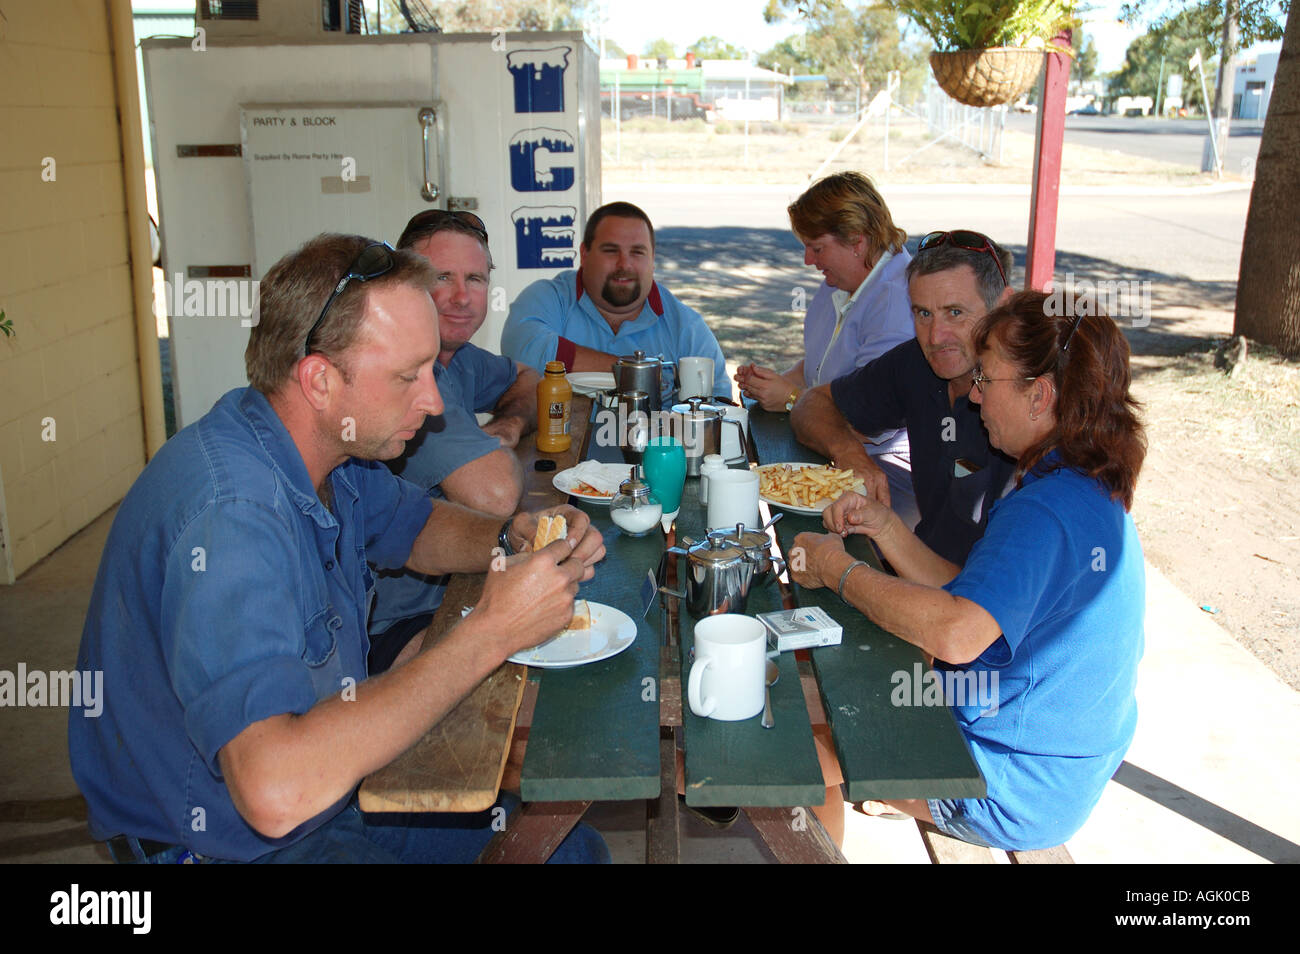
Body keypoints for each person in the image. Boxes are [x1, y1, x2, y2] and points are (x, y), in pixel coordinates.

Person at [69, 233, 610, 864]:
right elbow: (274, 791)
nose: (434, 403)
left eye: (431, 372)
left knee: (569, 851)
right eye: (408, 377)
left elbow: (416, 527)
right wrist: (490, 631)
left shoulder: (323, 448)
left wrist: (507, 535)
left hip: (327, 795)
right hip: (228, 842)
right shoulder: (232, 520)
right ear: (320, 380)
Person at [790, 290, 1146, 850]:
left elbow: (956, 633)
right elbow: (969, 596)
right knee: (812, 689)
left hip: (1007, 784)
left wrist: (840, 572)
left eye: (987, 379)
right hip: (1051, 769)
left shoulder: (1047, 510)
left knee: (790, 751)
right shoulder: (1077, 485)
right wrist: (886, 529)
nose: (974, 396)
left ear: (1041, 397)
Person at [366, 210, 541, 673]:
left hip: (459, 581)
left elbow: (528, 377)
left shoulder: (455, 357)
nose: (462, 297)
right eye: (441, 277)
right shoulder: (406, 373)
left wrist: (508, 424)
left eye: (476, 279)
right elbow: (496, 495)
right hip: (392, 625)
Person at [791, 229, 1018, 564]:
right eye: (923, 313)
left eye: (955, 312)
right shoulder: (918, 362)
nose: (936, 336)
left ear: (1003, 306)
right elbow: (811, 405)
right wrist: (850, 454)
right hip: (924, 572)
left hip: (978, 598)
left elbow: (983, 601)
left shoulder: (1031, 406)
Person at [735, 171, 917, 523]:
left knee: (803, 525)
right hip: (838, 447)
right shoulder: (842, 281)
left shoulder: (895, 302)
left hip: (887, 465)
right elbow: (822, 367)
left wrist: (791, 399)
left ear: (857, 242)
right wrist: (773, 382)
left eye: (817, 248)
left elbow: (867, 420)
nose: (808, 260)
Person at [501, 201, 731, 405]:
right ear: (584, 253)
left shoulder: (687, 328)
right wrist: (644, 375)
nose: (625, 264)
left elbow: (719, 405)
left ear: (653, 259)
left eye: (637, 252)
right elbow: (524, 352)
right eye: (611, 251)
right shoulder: (547, 297)